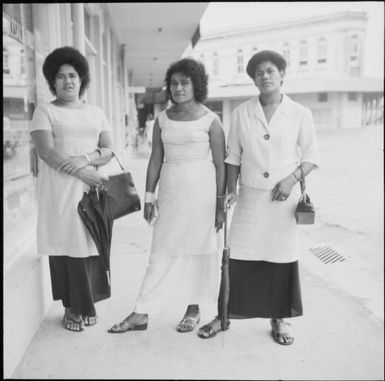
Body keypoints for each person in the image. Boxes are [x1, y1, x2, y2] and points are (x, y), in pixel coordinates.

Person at [198, 50, 320, 345]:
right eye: (258, 73)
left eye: (270, 71)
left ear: (281, 75)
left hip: (283, 200)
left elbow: (312, 156)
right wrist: (229, 191)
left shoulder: (301, 113)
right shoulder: (241, 113)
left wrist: (290, 181)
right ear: (253, 79)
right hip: (250, 198)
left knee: (280, 260)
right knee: (237, 258)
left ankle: (279, 319)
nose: (264, 76)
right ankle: (223, 314)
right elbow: (233, 157)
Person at [108, 58, 226, 333]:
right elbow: (155, 160)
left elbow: (221, 164)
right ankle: (142, 312)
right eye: (174, 83)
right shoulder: (162, 120)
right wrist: (149, 197)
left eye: (185, 82)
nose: (178, 87)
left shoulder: (212, 120)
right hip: (171, 194)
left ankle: (193, 308)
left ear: (197, 85)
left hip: (202, 196)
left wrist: (220, 205)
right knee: (160, 252)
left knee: (198, 251)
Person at [30, 46, 114, 332]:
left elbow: (108, 150)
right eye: (61, 76)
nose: (68, 81)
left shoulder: (96, 112)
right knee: (66, 246)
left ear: (82, 79)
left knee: (89, 245)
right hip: (60, 188)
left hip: (89, 190)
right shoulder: (45, 110)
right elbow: (47, 153)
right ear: (52, 82)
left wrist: (86, 160)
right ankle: (70, 308)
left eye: (73, 75)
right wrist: (82, 171)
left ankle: (87, 304)